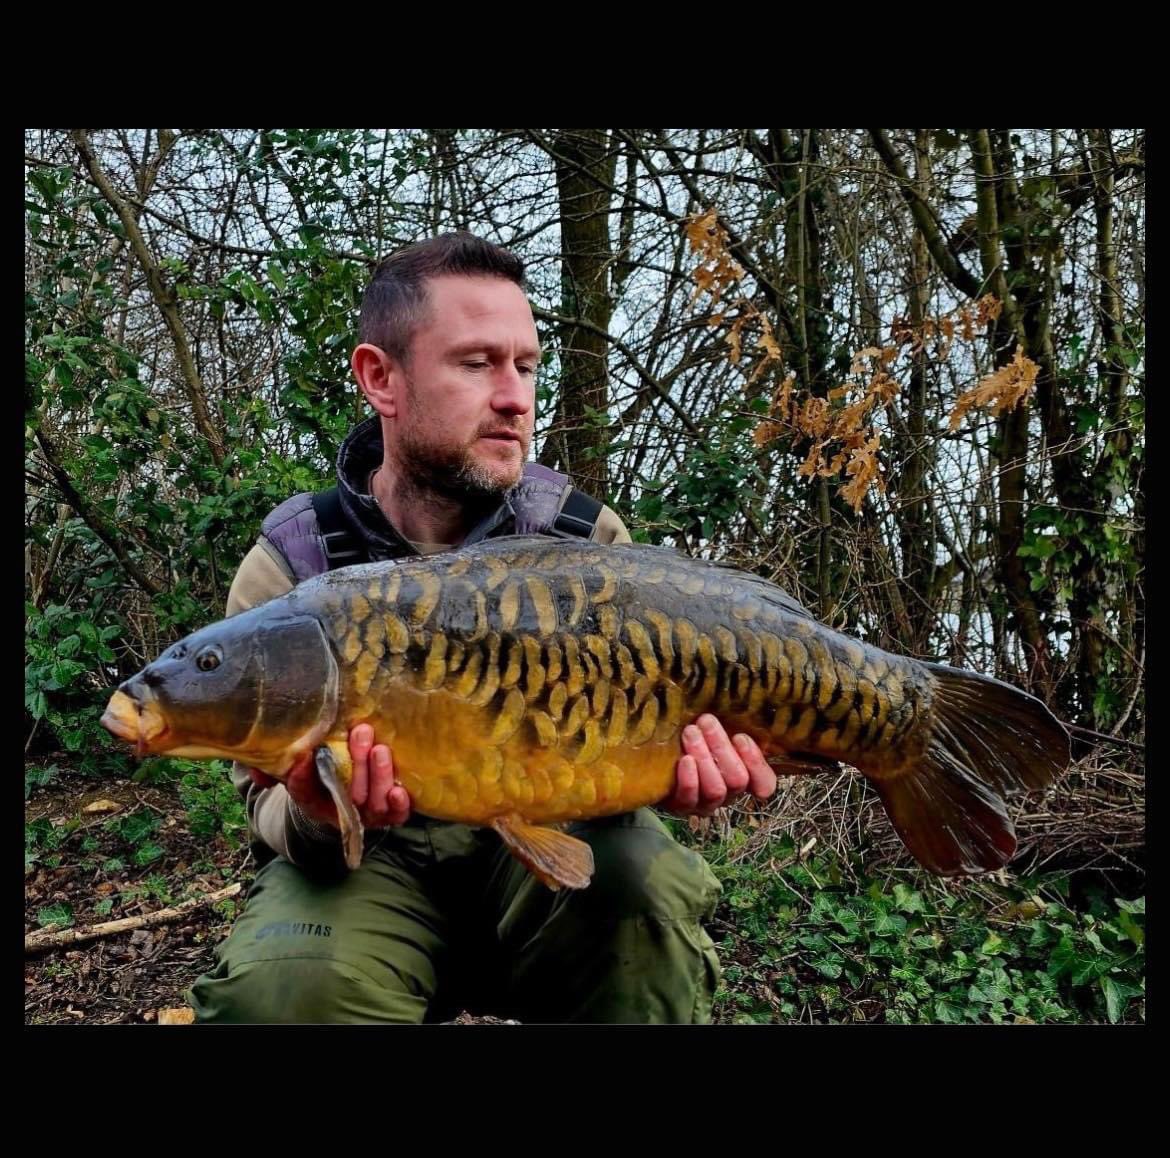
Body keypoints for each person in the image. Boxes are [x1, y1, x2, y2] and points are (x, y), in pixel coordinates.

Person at [187, 232, 777, 1024]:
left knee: (645, 886)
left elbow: (650, 747)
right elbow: (259, 803)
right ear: (380, 378)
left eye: (525, 366)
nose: (515, 397)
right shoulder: (293, 565)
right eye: (476, 364)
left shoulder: (587, 543)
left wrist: (688, 776)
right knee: (283, 990)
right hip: (368, 875)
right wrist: (323, 811)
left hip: (544, 863)